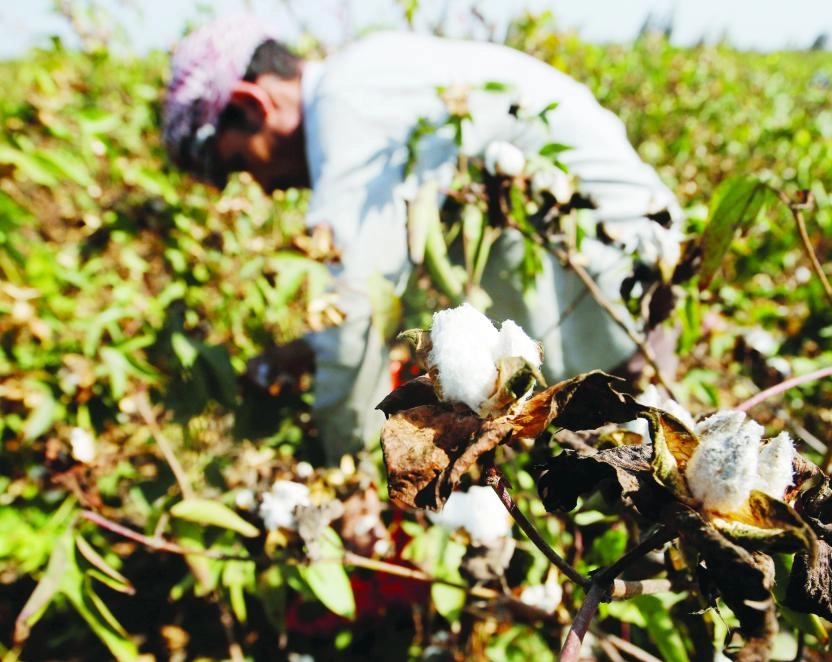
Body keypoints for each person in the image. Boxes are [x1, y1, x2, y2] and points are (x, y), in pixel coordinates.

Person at [163, 14, 685, 461]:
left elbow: (358, 313)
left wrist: (344, 466)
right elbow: (390, 282)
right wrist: (306, 353)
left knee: (644, 496)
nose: (263, 185)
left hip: (617, 286)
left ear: (253, 104)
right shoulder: (363, 78)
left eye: (239, 164)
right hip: (612, 277)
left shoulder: (346, 107)